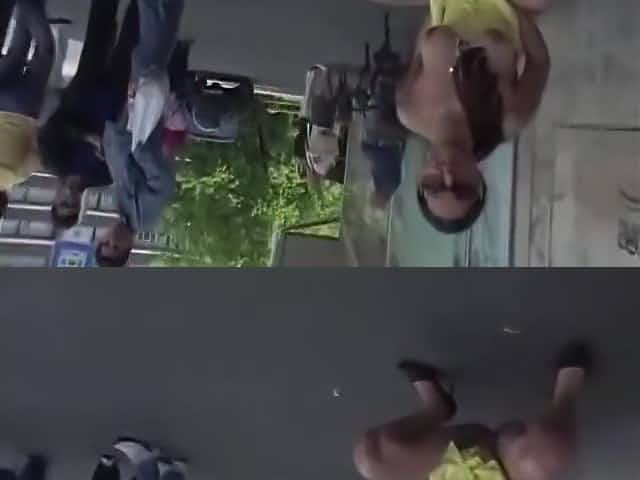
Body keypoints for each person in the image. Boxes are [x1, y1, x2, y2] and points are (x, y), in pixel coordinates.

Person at [368, 0, 551, 234]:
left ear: (420, 179)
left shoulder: (409, 109)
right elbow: (539, 62)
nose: (447, 175)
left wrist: (435, 11)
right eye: (462, 187)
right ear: (479, 180)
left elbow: (422, 52)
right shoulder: (508, 117)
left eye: (434, 185)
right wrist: (518, 14)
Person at [354, 342, 590, 480]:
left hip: (447, 471)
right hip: (504, 473)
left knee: (372, 455)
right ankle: (566, 394)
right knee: (548, 450)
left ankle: (437, 407)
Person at [95, 0, 185, 268]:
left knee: (154, 49)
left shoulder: (122, 208)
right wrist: (140, 150)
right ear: (129, 248)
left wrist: (108, 143)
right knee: (149, 53)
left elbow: (121, 169)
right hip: (143, 119)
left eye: (106, 243)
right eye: (116, 247)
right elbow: (163, 183)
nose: (112, 240)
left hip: (130, 119)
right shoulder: (145, 215)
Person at [39, 0, 140, 230]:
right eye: (73, 205)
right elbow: (126, 150)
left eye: (63, 203)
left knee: (99, 32)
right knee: (130, 40)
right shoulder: (103, 176)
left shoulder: (54, 161)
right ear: (81, 205)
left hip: (84, 90)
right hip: (114, 98)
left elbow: (54, 125)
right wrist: (110, 148)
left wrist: (85, 136)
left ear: (55, 199)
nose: (70, 199)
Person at [0, 0, 54, 201]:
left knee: (45, 50)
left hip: (24, 108)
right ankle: (26, 6)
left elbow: (37, 157)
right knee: (17, 50)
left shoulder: (16, 175)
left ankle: (30, 4)